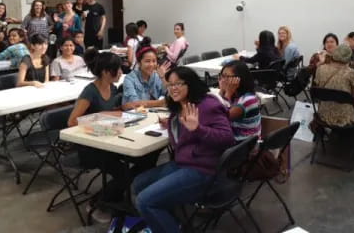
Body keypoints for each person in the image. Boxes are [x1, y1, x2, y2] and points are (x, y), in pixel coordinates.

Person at [132, 66, 235, 233]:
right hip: (185, 163)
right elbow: (185, 130)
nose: (173, 88)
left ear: (191, 84)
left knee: (145, 201)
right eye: (170, 85)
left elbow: (227, 138)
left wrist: (198, 129)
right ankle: (172, 223)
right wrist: (173, 123)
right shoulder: (180, 106)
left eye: (178, 84)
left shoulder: (207, 104)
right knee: (138, 184)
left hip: (204, 171)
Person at [67, 50, 126, 220]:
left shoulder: (113, 88)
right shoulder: (90, 91)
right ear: (106, 72)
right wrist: (103, 117)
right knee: (123, 172)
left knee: (137, 163)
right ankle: (98, 202)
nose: (121, 72)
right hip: (88, 147)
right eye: (118, 69)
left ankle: (114, 198)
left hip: (107, 139)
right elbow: (72, 122)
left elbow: (112, 114)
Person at [313, 44, 354, 127]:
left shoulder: (321, 69)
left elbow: (318, 90)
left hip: (323, 114)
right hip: (345, 117)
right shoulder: (352, 73)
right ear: (349, 58)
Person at [218, 60, 261, 141]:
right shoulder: (235, 95)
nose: (222, 80)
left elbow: (221, 117)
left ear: (239, 79)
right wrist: (222, 91)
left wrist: (227, 93)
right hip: (236, 141)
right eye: (222, 76)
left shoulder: (248, 99)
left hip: (243, 146)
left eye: (226, 76)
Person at [122, 38, 171, 109]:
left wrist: (163, 78)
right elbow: (134, 104)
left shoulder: (156, 76)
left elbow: (171, 97)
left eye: (154, 61)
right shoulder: (130, 79)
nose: (151, 64)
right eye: (147, 61)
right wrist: (160, 103)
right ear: (139, 63)